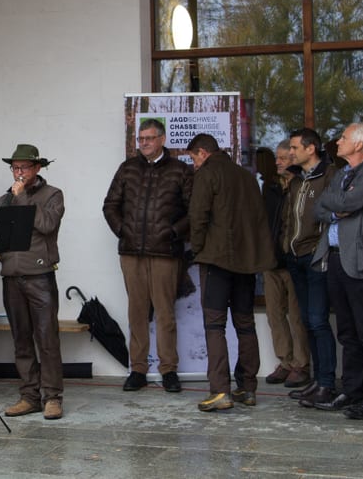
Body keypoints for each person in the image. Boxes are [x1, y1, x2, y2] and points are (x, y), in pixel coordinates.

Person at [102, 119, 192, 393]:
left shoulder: (180, 170)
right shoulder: (127, 168)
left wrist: (173, 233)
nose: (143, 144)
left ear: (162, 139)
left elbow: (195, 210)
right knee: (137, 313)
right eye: (140, 139)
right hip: (131, 253)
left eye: (149, 138)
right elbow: (110, 205)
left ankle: (169, 371)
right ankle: (138, 369)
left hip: (165, 252)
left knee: (165, 313)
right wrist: (123, 231)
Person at [186, 134, 275, 411]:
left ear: (203, 153)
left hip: (217, 261)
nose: (194, 164)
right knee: (245, 323)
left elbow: (197, 216)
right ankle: (247, 388)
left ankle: (220, 391)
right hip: (247, 263)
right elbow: (259, 220)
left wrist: (197, 249)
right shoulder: (246, 176)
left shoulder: (207, 174)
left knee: (214, 325)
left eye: (193, 158)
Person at [312, 123, 363, 420]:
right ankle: (351, 391)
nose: (337, 142)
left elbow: (351, 201)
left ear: (360, 145)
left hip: (362, 262)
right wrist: (337, 209)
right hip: (336, 259)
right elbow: (320, 206)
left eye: (343, 138)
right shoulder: (341, 174)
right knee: (347, 332)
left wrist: (336, 204)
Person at [0, 144, 65, 421]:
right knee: (21, 340)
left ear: (38, 168)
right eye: (15, 168)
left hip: (39, 275)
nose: (19, 172)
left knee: (47, 339)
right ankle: (29, 396)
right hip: (12, 275)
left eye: (24, 167)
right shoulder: (5, 199)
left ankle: (52, 397)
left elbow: (47, 225)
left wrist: (23, 197)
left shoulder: (53, 195)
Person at [280, 128, 337, 407]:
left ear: (310, 148)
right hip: (295, 257)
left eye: (294, 147)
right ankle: (317, 381)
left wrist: (320, 250)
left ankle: (327, 383)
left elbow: (331, 217)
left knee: (317, 320)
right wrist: (285, 247)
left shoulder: (329, 176)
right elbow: (290, 218)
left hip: (316, 257)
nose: (290, 152)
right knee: (307, 321)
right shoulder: (296, 180)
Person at [258, 142, 310, 387]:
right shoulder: (269, 188)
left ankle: (301, 364)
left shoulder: (302, 186)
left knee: (297, 315)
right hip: (271, 260)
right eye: (277, 158)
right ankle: (285, 361)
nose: (277, 162)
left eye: (282, 158)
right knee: (274, 314)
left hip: (294, 261)